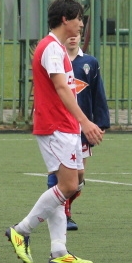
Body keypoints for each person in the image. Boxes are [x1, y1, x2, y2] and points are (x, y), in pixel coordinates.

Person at [6, 0, 103, 263]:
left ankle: (59, 251)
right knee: (69, 186)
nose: (81, 24)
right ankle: (21, 231)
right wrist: (85, 122)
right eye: (78, 18)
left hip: (65, 126)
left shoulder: (56, 48)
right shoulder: (50, 48)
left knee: (69, 183)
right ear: (64, 19)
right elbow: (61, 88)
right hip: (56, 126)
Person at [42, 33, 110, 231]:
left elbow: (98, 93)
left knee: (78, 175)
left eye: (77, 34)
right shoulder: (56, 59)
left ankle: (62, 207)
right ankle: (63, 215)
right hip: (60, 126)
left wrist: (101, 122)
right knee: (59, 172)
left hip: (82, 128)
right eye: (69, 35)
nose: (73, 38)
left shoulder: (89, 63)